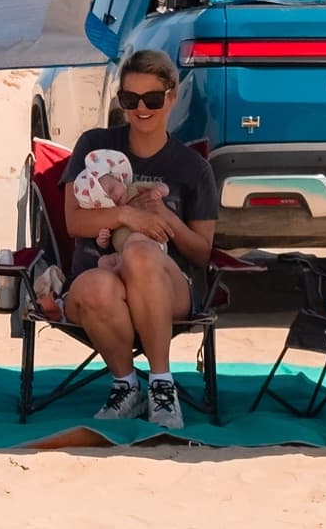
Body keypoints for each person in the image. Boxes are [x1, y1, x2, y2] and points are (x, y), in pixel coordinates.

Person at [59, 49, 219, 430]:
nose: (141, 108)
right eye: (130, 100)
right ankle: (126, 386)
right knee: (99, 287)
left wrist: (165, 221)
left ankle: (162, 385)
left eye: (153, 99)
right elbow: (73, 222)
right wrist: (126, 215)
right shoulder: (95, 148)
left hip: (166, 289)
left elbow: (201, 253)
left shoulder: (192, 168)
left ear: (172, 96)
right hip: (96, 281)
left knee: (140, 253)